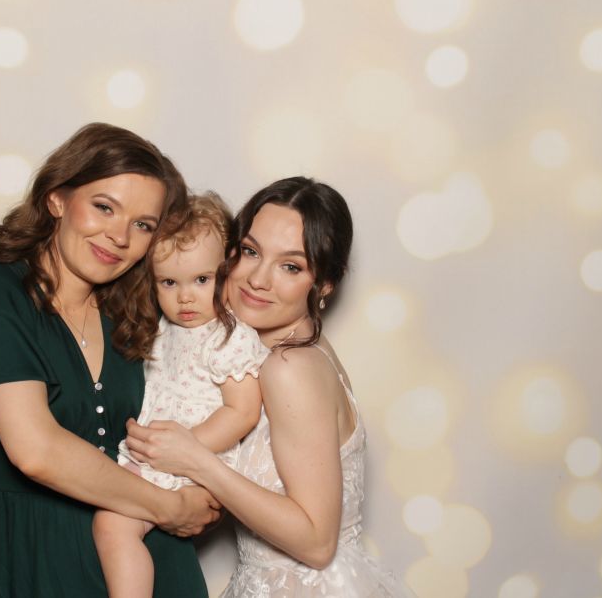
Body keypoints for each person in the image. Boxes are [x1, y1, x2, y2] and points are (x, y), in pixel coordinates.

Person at [0, 123, 220, 597]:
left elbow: (227, 379)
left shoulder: (137, 310)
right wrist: (171, 508)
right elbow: (36, 451)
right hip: (34, 563)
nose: (119, 236)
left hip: (152, 566)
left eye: (142, 225)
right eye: (104, 207)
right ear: (56, 199)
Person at [126, 177, 414, 597]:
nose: (258, 279)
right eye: (251, 252)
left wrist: (196, 461)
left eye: (290, 266)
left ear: (325, 284)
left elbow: (317, 543)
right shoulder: (267, 353)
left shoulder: (289, 368)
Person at [93, 193, 269, 597]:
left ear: (227, 269)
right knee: (106, 521)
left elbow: (242, 412)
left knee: (111, 523)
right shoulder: (165, 329)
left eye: (201, 280)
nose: (185, 297)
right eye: (169, 283)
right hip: (157, 459)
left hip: (194, 464)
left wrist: (186, 448)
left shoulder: (229, 336)